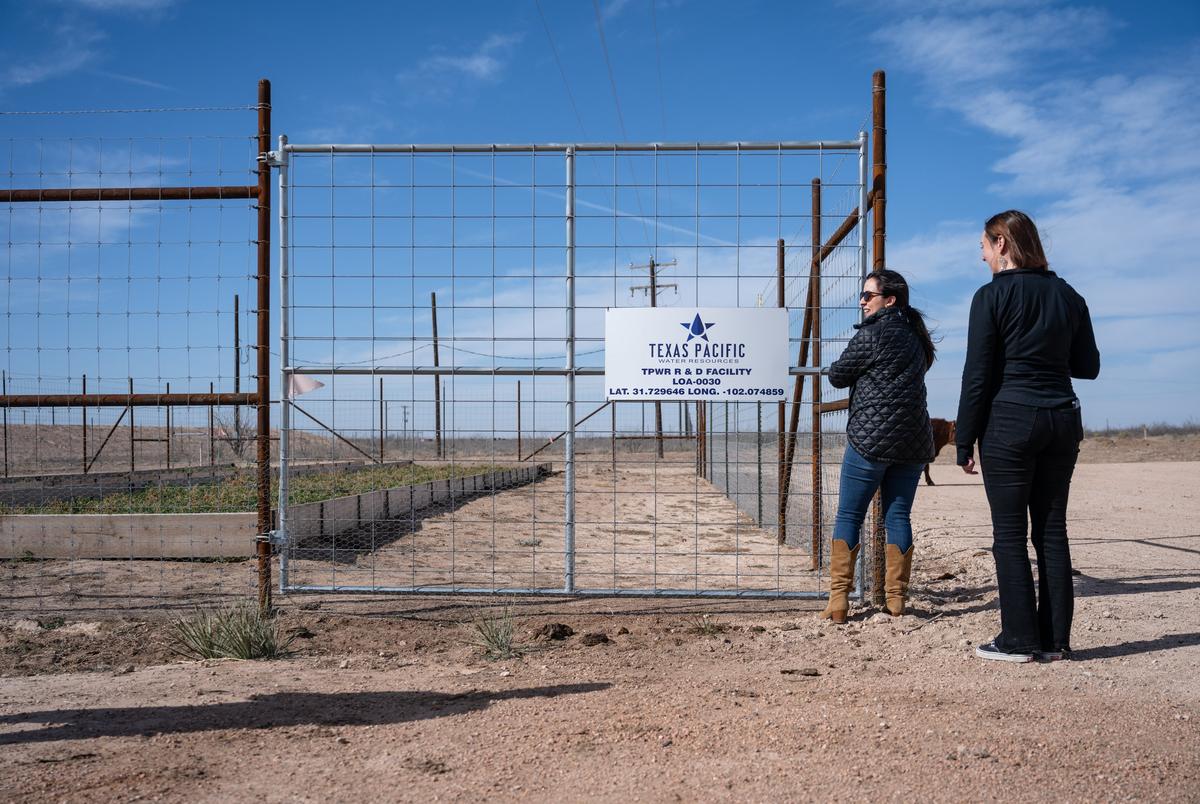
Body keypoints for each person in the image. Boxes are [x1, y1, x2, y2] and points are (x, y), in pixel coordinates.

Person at [956, 210, 1100, 663]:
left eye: (983, 246)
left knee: (1009, 533)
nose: (981, 255)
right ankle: (1056, 641)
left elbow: (977, 375)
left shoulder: (990, 297)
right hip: (1062, 419)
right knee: (1052, 531)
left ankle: (1018, 640)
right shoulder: (1070, 296)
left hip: (1011, 421)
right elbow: (1088, 367)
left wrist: (964, 439)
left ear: (1002, 244)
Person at [820, 269, 936, 623]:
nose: (862, 301)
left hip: (869, 441)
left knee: (849, 515)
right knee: (898, 515)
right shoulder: (918, 338)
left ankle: (839, 600)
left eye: (868, 295)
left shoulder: (872, 333)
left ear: (890, 299)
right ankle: (896, 600)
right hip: (913, 440)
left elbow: (838, 375)